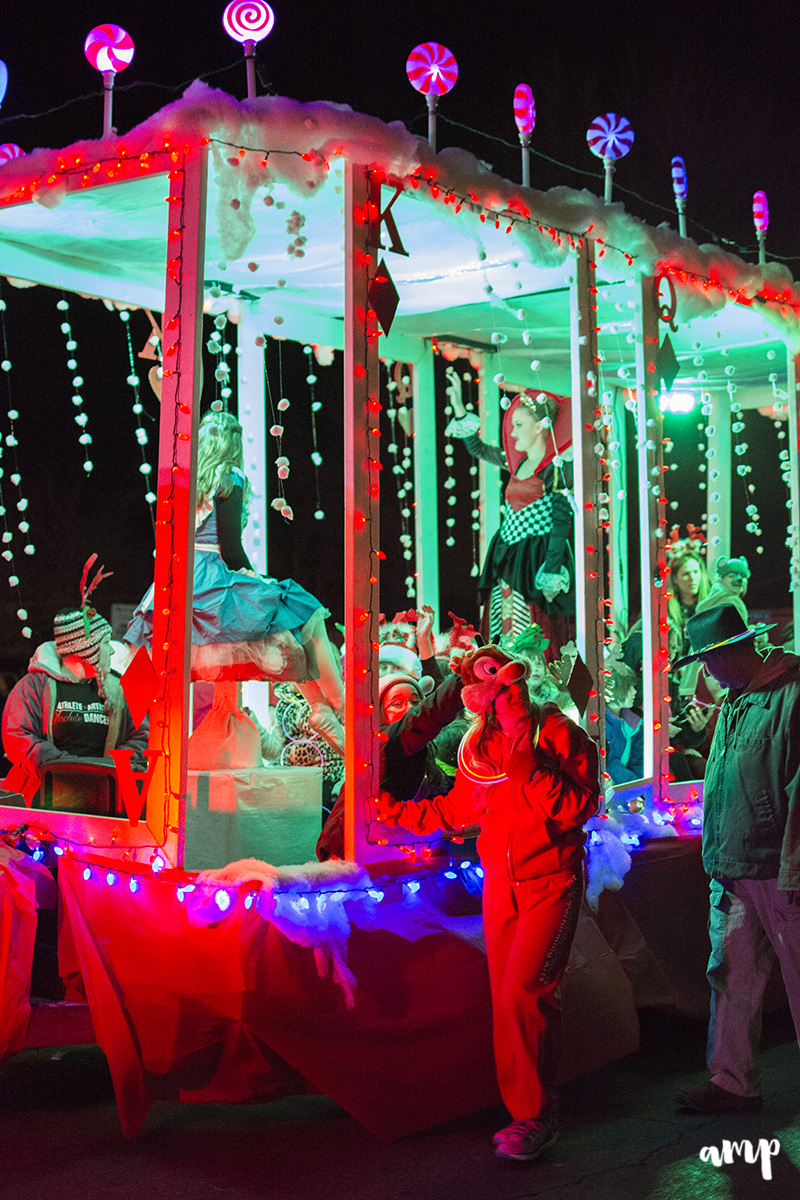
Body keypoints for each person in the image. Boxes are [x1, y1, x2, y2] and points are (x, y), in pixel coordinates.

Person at [377, 644, 600, 1161]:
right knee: (507, 997)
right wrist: (394, 814)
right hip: (500, 885)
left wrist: (531, 769)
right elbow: (458, 807)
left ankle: (533, 1115)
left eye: (504, 692)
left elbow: (582, 807)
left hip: (551, 881)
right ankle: (525, 1107)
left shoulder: (558, 733)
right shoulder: (482, 744)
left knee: (525, 992)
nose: (497, 702)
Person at [125, 408, 344, 753]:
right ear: (232, 445)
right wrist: (258, 581)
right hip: (212, 576)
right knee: (298, 606)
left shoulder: (182, 479)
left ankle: (322, 708)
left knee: (281, 618)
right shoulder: (230, 475)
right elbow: (229, 546)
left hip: (179, 579)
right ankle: (330, 704)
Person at [671, 605, 800, 1113]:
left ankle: (732, 1080)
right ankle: (731, 1081)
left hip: (778, 869)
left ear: (729, 652)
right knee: (730, 976)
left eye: (707, 659)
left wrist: (794, 866)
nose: (705, 671)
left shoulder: (792, 696)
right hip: (735, 865)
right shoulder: (736, 699)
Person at [444, 369, 575, 656]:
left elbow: (561, 522)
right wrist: (458, 406)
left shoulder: (557, 467)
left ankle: (539, 685)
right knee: (502, 622)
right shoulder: (516, 463)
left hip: (535, 558)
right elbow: (477, 448)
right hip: (507, 554)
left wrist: (552, 568)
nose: (512, 432)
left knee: (534, 625)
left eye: (518, 425)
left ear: (540, 426)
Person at [3, 601, 146, 805]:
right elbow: (17, 736)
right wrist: (65, 768)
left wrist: (113, 766)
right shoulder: (34, 686)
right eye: (105, 643)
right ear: (85, 649)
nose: (112, 651)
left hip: (103, 800)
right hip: (43, 800)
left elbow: (142, 735)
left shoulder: (118, 688)